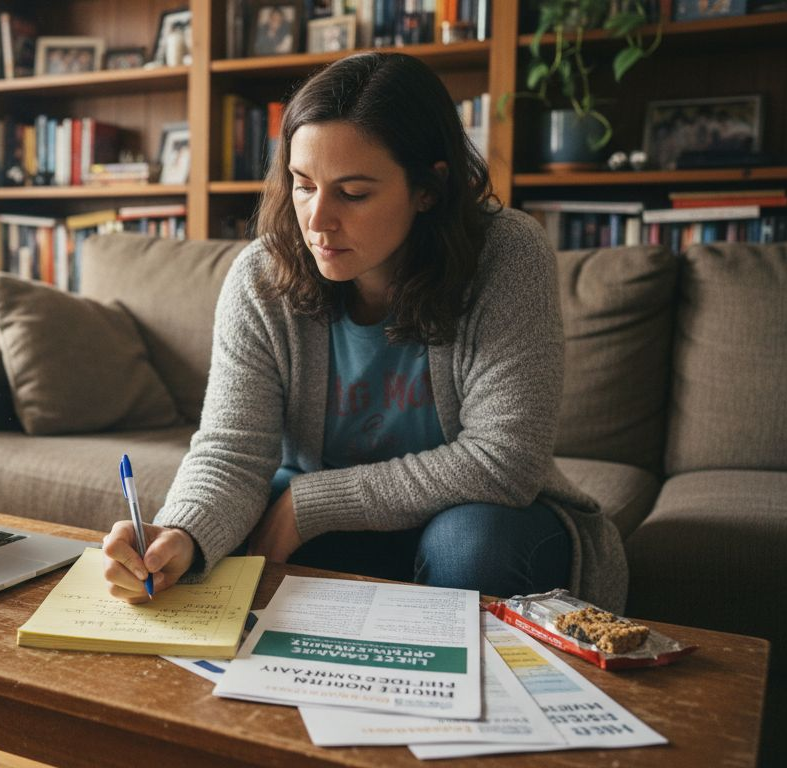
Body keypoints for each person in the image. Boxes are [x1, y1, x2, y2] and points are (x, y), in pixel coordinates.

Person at [101, 53, 627, 611]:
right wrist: (179, 536)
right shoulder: (260, 275)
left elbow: (504, 459)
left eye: (352, 193)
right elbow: (231, 451)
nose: (317, 221)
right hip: (331, 535)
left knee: (474, 544)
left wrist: (311, 503)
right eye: (303, 185)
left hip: (477, 520)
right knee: (224, 551)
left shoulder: (506, 255)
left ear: (429, 188)